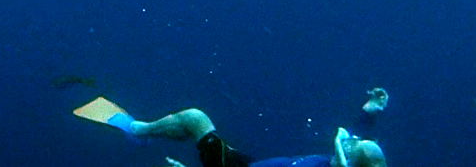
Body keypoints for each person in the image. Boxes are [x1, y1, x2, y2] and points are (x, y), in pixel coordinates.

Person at [74, 89, 390, 167]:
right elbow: (360, 146)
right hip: (251, 164)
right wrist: (368, 114)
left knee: (194, 118)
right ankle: (140, 132)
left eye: (348, 146)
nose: (346, 141)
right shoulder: (349, 159)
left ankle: (137, 130)